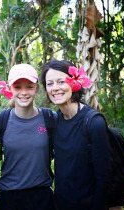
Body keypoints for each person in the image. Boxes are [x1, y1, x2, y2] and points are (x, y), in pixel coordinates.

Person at [41, 60, 111, 210]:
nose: (55, 88)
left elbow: (104, 177)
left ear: (74, 83)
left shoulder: (93, 123)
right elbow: (39, 135)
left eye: (61, 81)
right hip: (60, 204)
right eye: (50, 84)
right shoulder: (55, 120)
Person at [0, 64, 56, 210]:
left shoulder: (50, 119)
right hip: (10, 197)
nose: (24, 92)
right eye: (18, 87)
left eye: (29, 87)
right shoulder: (0, 122)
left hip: (42, 196)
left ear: (37, 88)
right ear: (9, 89)